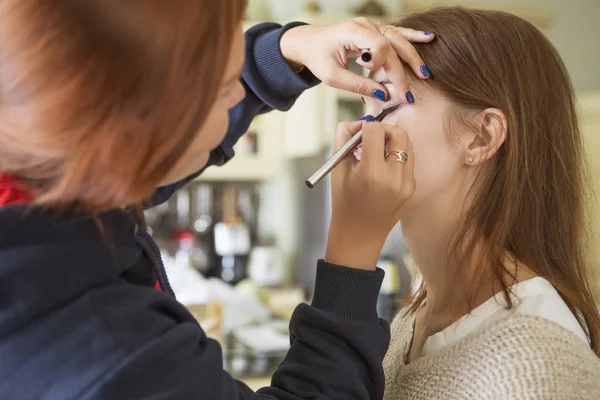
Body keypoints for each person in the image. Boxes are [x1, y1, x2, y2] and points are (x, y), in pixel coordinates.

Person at [0, 1, 431, 399]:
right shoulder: (87, 338)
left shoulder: (37, 156)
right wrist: (352, 248)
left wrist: (285, 50)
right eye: (226, 88)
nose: (241, 94)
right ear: (132, 139)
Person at [358, 7, 600, 400]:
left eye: (388, 103)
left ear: (481, 138)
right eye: (367, 102)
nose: (359, 134)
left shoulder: (537, 367)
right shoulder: (411, 322)